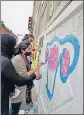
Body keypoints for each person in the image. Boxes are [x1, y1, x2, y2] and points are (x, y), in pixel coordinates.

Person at [1, 34, 41, 115]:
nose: (14, 48)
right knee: (12, 110)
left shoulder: (4, 58)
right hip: (4, 98)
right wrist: (35, 75)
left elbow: (32, 53)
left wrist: (37, 49)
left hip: (5, 95)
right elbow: (20, 80)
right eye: (13, 46)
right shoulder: (6, 62)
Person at [10, 40, 42, 115]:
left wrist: (38, 48)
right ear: (22, 50)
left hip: (21, 87)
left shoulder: (24, 56)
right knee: (14, 109)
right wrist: (37, 67)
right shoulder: (18, 59)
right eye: (28, 49)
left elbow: (32, 53)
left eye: (30, 48)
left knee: (16, 107)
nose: (30, 51)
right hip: (17, 88)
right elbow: (25, 75)